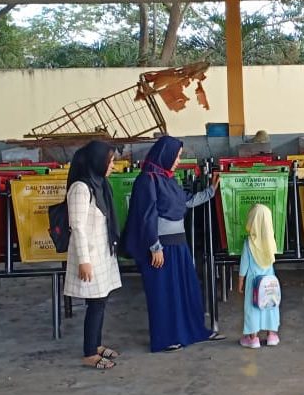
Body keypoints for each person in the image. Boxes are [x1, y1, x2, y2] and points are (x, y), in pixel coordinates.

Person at [121, 136, 225, 353]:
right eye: (177, 156)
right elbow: (146, 216)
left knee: (185, 291)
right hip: (160, 249)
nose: (178, 161)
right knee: (164, 294)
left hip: (179, 245)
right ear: (165, 155)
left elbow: (185, 201)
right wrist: (154, 246)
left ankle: (190, 331)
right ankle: (165, 339)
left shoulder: (168, 180)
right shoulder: (147, 180)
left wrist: (211, 192)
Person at [63, 141, 123, 369]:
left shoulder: (99, 185)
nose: (112, 166)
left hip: (102, 253)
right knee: (96, 303)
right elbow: (77, 226)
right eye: (110, 161)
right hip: (90, 256)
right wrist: (84, 261)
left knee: (102, 300)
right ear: (97, 161)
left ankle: (96, 344)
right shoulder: (81, 188)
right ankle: (89, 353)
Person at [238, 204, 280, 349]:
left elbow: (244, 265)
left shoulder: (249, 243)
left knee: (253, 309)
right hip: (269, 280)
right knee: (270, 307)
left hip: (253, 281)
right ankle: (271, 335)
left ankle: (253, 338)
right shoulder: (271, 241)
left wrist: (240, 281)